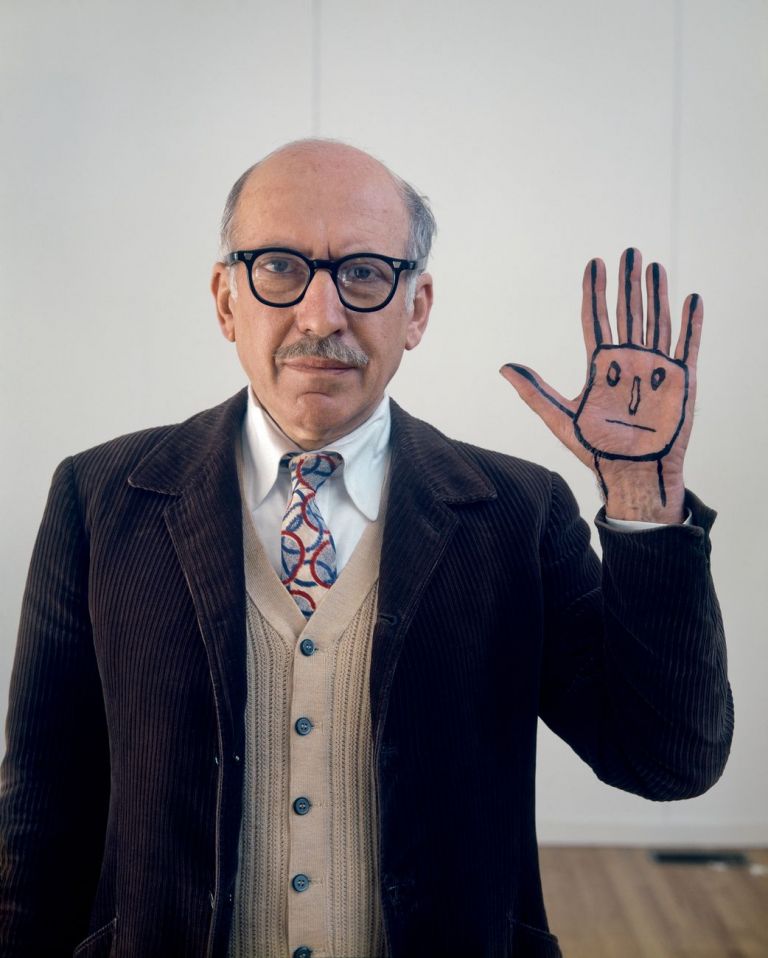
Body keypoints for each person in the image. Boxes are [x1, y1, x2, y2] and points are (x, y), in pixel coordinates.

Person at [0, 139, 732, 958]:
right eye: (278, 267)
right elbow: (40, 809)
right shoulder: (100, 501)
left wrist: (641, 495)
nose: (322, 316)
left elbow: (668, 760)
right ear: (225, 300)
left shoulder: (518, 516)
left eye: (364, 273)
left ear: (415, 309)